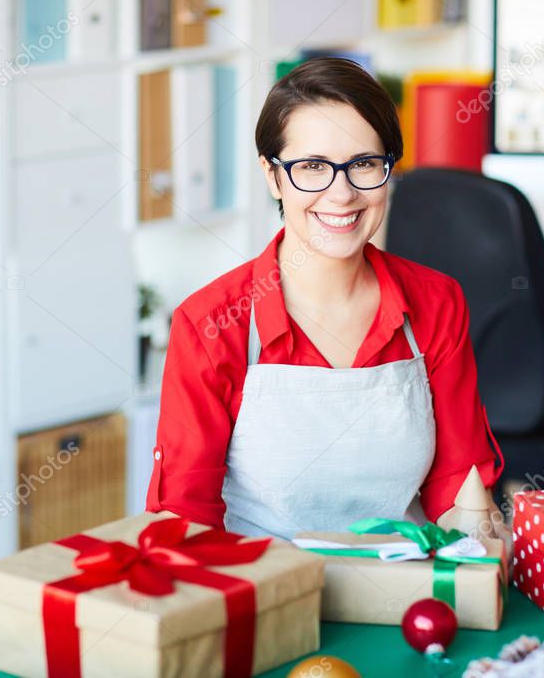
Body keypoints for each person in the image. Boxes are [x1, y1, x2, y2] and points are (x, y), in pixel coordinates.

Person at [145, 57, 505, 539]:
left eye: (363, 164)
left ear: (389, 170)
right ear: (273, 176)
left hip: (404, 587)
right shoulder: (212, 322)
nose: (342, 194)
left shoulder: (437, 303)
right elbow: (185, 517)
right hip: (265, 592)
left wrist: (481, 548)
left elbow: (459, 489)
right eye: (312, 167)